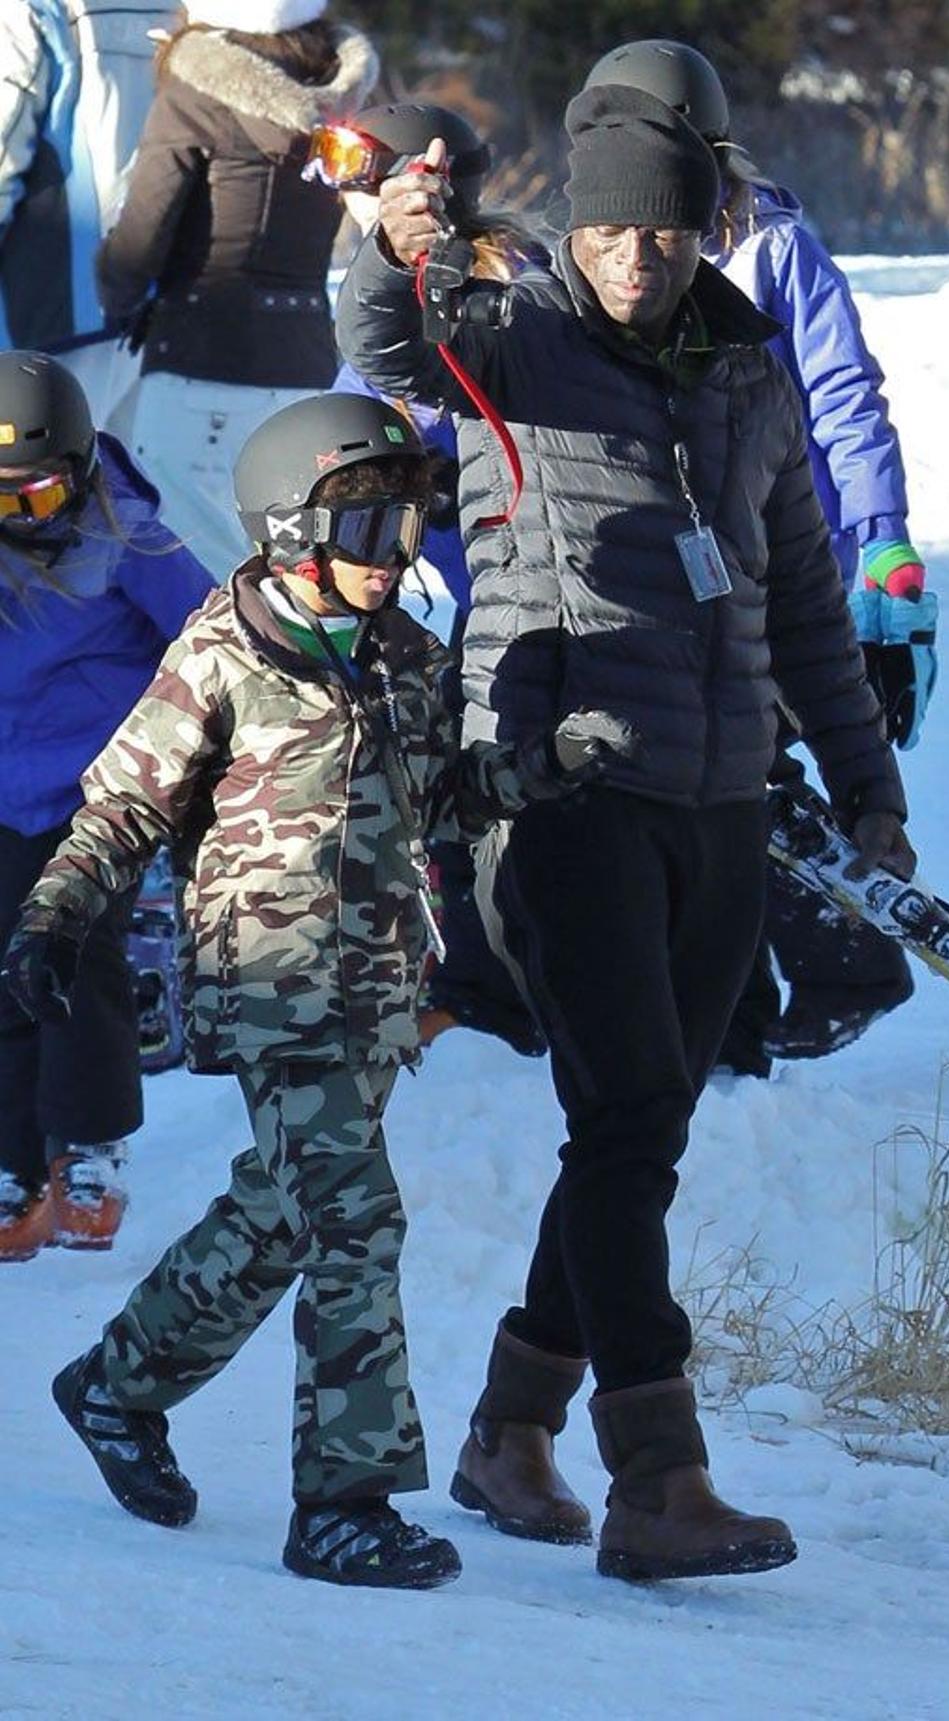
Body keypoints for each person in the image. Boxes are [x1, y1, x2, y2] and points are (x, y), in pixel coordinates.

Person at [336, 87, 915, 1582]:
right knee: (628, 1111)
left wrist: (869, 791)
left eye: (658, 230)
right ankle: (657, 1476)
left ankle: (510, 1420)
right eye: (605, 229)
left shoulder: (747, 370)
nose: (633, 258)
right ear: (573, 227)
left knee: (640, 1133)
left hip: (720, 796)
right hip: (560, 796)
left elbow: (800, 602)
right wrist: (388, 243)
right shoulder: (515, 340)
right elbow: (390, 343)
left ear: (700, 225)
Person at [1, 390, 633, 1588]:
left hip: (376, 987)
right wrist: (52, 918)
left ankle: (116, 1385)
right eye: (365, 535)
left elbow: (445, 798)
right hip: (266, 985)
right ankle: (344, 1501)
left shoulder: (403, 653)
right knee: (354, 1216)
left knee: (282, 1210)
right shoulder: (221, 652)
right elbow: (123, 808)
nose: (392, 560)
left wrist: (541, 765)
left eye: (404, 532)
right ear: (290, 532)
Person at [584, 40, 937, 1076]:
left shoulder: (770, 246)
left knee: (747, 781)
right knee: (721, 780)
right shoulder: (606, 247)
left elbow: (846, 397)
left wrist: (882, 542)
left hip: (784, 563)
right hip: (681, 562)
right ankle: (761, 995)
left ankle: (833, 967)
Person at [317, 99, 550, 1057]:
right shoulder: (372, 291)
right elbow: (347, 427)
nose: (348, 201)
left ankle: (491, 995)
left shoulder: (504, 288)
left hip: (514, 595)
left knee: (483, 796)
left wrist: (440, 478)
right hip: (423, 596)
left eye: (365, 178)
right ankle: (447, 974)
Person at [0, 350, 214, 1263]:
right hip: (4, 793)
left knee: (77, 961)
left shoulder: (129, 535)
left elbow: (207, 632)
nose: (16, 520)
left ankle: (87, 1146)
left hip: (96, 794)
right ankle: (12, 1161)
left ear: (80, 474)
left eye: (36, 500)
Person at [94, 0, 378, 579]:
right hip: (305, 364)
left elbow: (143, 237)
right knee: (294, 571)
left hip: (199, 358)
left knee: (187, 568)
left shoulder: (196, 87)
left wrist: (114, 290)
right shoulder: (341, 84)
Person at [0, 0, 175, 422]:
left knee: (33, 476)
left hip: (41, 304)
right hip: (155, 299)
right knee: (120, 476)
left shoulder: (27, 10)